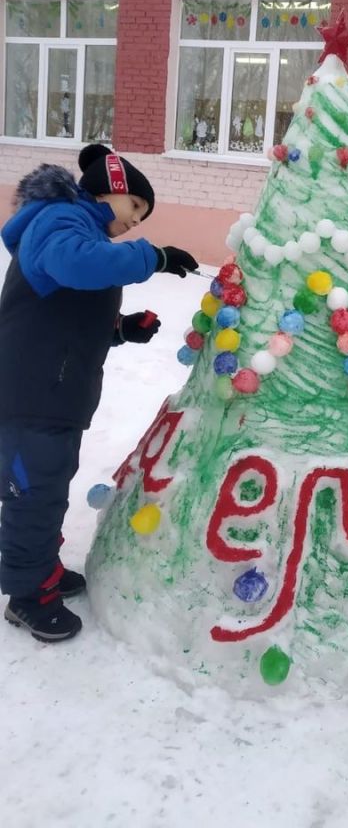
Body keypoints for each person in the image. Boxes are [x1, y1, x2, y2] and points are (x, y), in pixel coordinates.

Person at [0, 144, 199, 643]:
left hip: (55, 391)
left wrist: (120, 328)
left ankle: (40, 568)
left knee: (46, 487)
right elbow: (77, 267)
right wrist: (152, 255)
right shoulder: (61, 220)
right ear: (110, 190)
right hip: (30, 393)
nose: (136, 222)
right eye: (136, 208)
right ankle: (26, 596)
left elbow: (65, 311)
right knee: (33, 493)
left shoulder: (76, 229)